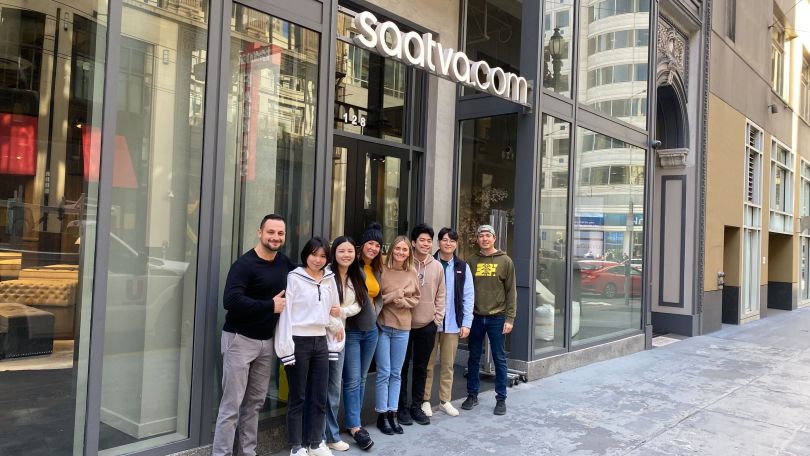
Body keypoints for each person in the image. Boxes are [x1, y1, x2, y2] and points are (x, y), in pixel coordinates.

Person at [213, 214, 293, 456]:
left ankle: (248, 452)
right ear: (260, 232)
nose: (275, 237)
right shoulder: (244, 265)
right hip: (240, 340)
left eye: (280, 233)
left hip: (266, 343)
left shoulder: (284, 263)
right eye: (271, 232)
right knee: (231, 406)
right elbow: (231, 301)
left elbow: (308, 278)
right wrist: (270, 306)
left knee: (255, 404)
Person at [275, 237, 345, 456]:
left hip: (321, 340)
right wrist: (286, 348)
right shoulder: (294, 277)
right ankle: (296, 446)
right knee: (298, 396)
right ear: (306, 254)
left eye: (323, 256)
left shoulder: (329, 278)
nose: (318, 259)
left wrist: (337, 325)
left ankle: (315, 443)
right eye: (314, 254)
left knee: (319, 395)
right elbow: (286, 314)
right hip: (299, 341)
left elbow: (333, 308)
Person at [322, 236, 370, 451]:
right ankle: (316, 437)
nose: (346, 255)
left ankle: (331, 436)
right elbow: (321, 306)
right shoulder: (326, 274)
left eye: (350, 251)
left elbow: (360, 303)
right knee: (319, 389)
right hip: (321, 337)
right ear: (334, 253)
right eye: (341, 251)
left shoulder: (356, 274)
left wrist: (341, 312)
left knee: (334, 389)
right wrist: (336, 324)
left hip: (338, 341)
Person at [462, 224, 516, 416]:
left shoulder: (505, 261)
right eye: (481, 236)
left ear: (494, 238)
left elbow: (511, 292)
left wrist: (510, 318)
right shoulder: (471, 261)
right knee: (474, 357)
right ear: (477, 239)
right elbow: (466, 291)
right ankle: (472, 395)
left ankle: (501, 398)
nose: (484, 239)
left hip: (497, 317)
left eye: (488, 235)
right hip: (476, 317)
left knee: (499, 358)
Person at [422, 227, 474, 417]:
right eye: (445, 240)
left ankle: (445, 400)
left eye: (452, 241)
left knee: (448, 365)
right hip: (429, 323)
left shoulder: (462, 267)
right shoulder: (429, 263)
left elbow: (468, 296)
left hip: (452, 323)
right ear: (439, 242)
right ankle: (425, 400)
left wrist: (466, 322)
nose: (448, 243)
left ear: (456, 244)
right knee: (427, 364)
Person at [397, 224, 445, 426]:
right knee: (401, 368)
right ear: (414, 242)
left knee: (421, 367)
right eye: (422, 240)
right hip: (403, 324)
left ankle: (416, 406)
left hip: (427, 325)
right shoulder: (405, 264)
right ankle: (401, 407)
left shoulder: (437, 266)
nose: (426, 244)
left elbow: (441, 294)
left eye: (429, 241)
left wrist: (437, 319)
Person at [342, 224, 384, 450]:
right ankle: (355, 427)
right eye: (370, 243)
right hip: (352, 330)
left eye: (377, 245)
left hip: (371, 331)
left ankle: (354, 421)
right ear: (361, 245)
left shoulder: (376, 269)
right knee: (352, 380)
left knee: (362, 378)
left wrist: (375, 314)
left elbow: (377, 297)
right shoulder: (352, 267)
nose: (374, 248)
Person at [375, 235, 420, 435]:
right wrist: (393, 296)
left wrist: (404, 302)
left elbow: (416, 298)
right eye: (398, 248)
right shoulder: (381, 270)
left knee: (396, 373)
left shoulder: (412, 272)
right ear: (392, 249)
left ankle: (393, 413)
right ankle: (381, 415)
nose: (401, 252)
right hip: (384, 326)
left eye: (405, 249)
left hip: (403, 328)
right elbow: (375, 299)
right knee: (384, 372)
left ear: (409, 252)